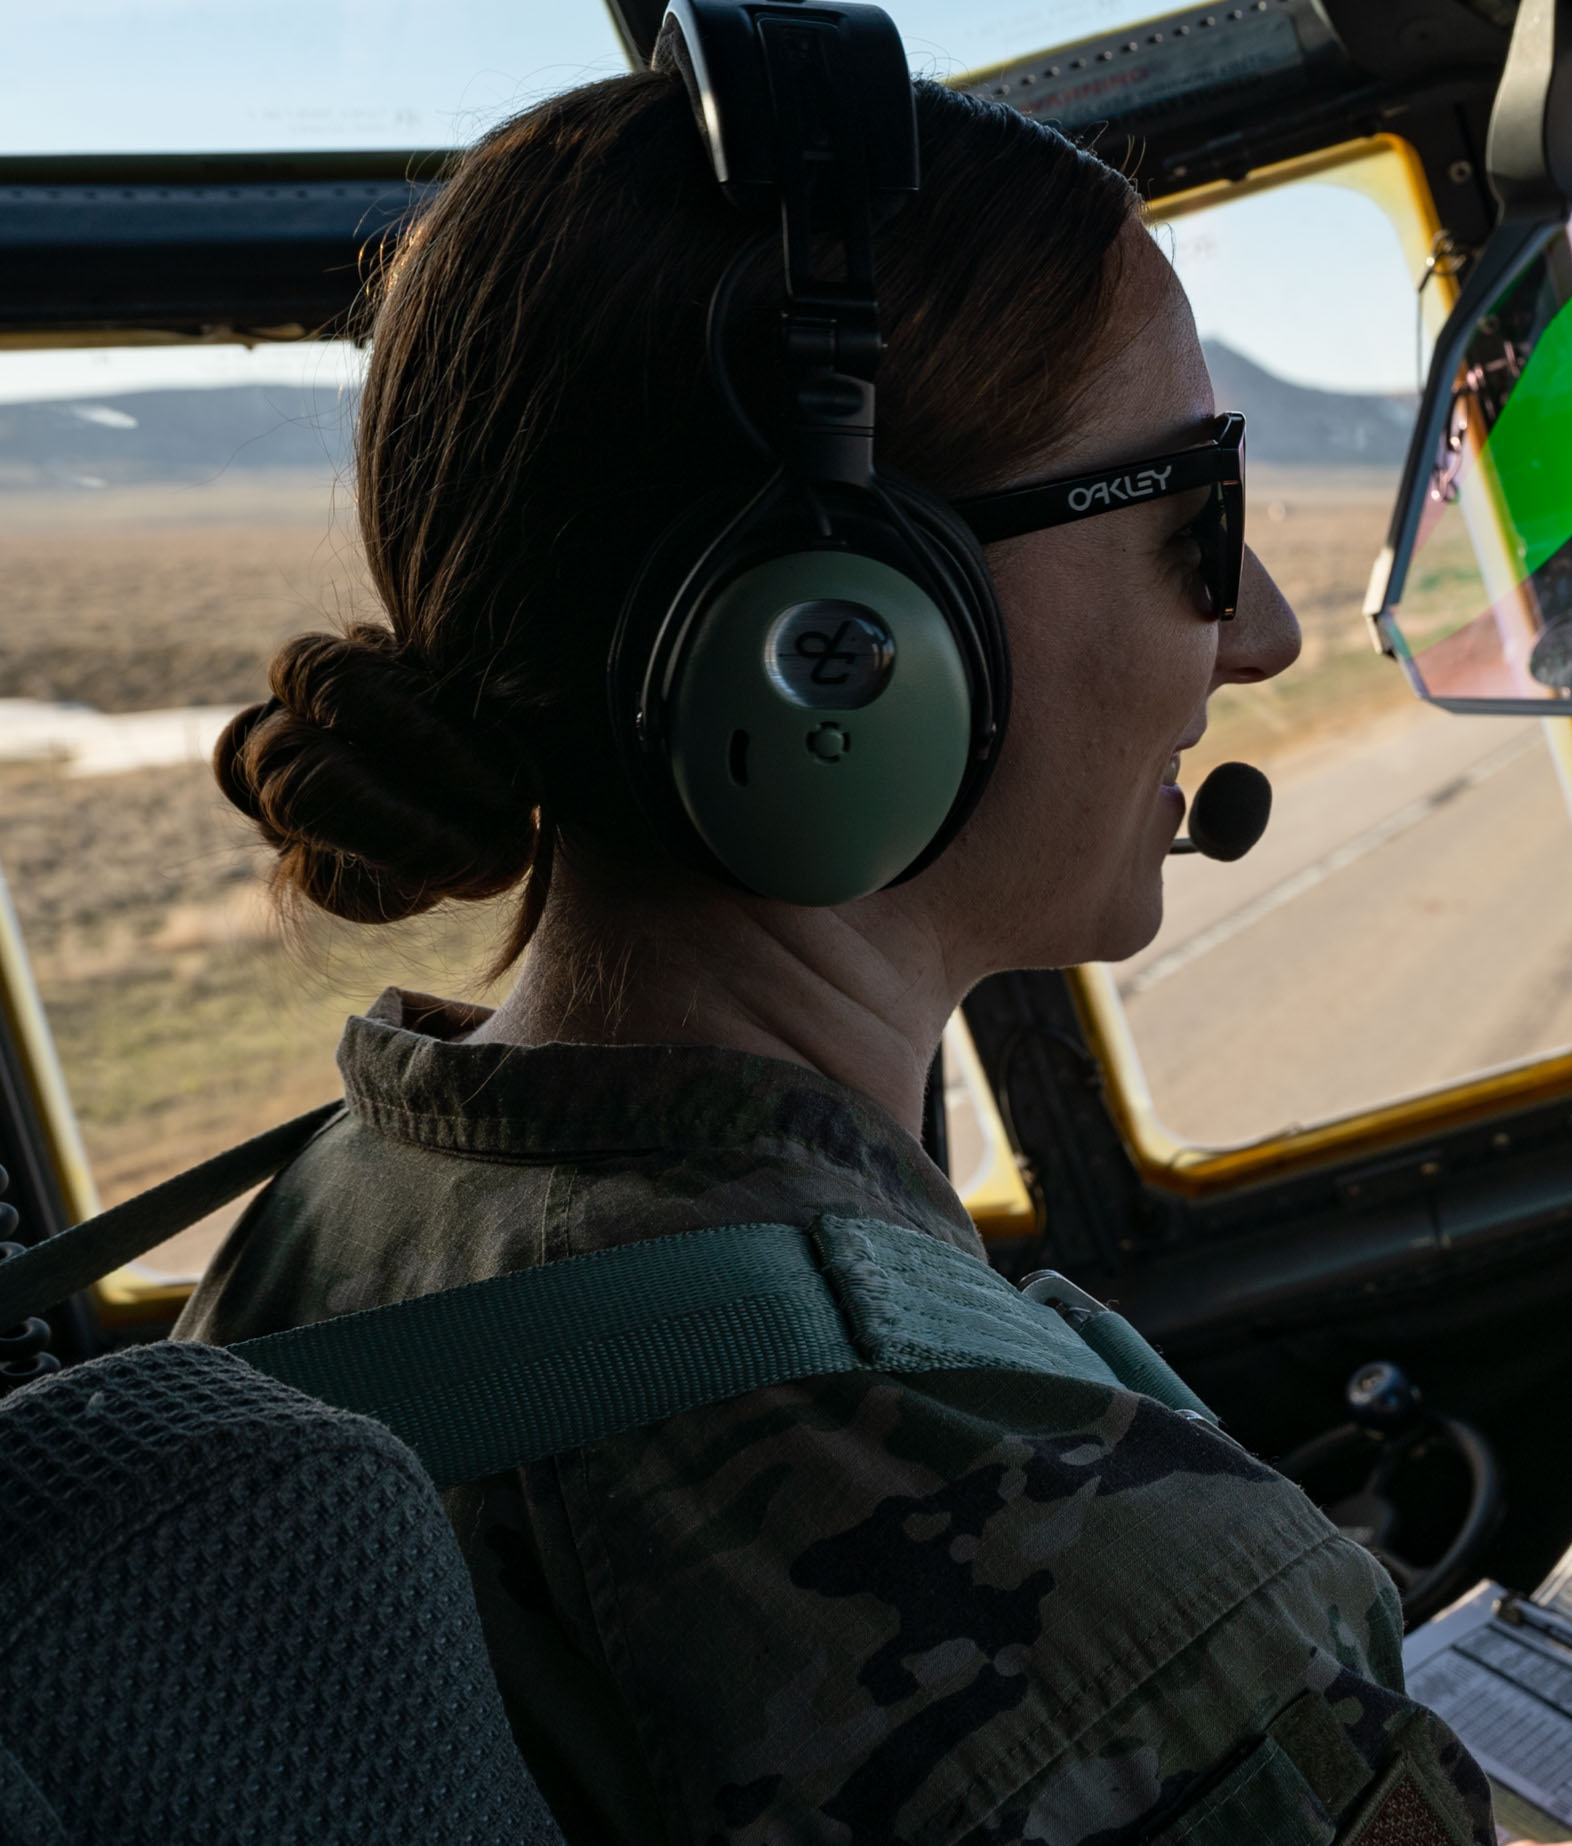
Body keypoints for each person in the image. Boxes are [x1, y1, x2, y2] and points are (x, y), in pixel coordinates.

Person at [180, 68, 1500, 1846]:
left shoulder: (317, 1226)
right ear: (839, 643)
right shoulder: (1134, 1615)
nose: (1259, 630)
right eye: (1196, 519)